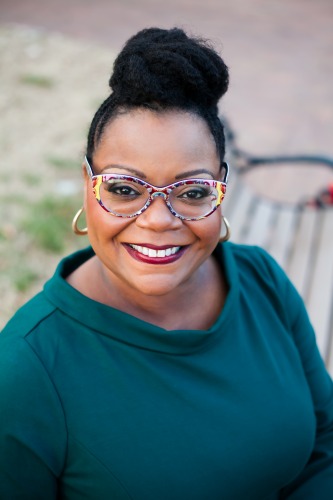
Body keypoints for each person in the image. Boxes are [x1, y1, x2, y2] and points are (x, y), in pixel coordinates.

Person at [0, 27, 332, 500]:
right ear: (87, 187)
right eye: (124, 189)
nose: (158, 221)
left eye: (193, 192)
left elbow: (326, 442)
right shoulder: (25, 371)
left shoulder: (261, 281)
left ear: (221, 189)